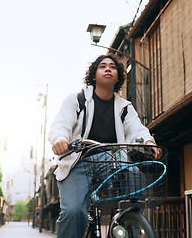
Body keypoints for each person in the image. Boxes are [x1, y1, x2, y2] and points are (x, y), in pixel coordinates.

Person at [49, 54, 161, 238]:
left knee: (135, 177)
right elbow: (60, 126)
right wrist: (60, 139)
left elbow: (137, 129)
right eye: (102, 66)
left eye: (112, 67)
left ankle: (128, 221)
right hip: (78, 162)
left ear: (118, 77)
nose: (108, 68)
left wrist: (148, 142)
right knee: (74, 212)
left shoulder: (125, 107)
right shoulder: (77, 100)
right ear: (94, 75)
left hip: (112, 161)